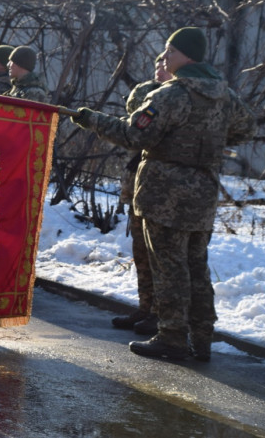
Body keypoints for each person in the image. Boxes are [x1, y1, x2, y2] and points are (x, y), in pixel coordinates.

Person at [71, 27, 256, 361]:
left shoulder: (171, 95)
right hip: (203, 193)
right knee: (196, 267)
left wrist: (91, 120)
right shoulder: (224, 94)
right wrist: (209, 141)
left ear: (186, 55)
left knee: (169, 267)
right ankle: (201, 339)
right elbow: (247, 127)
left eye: (170, 51)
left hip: (164, 194)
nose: (166, 57)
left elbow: (133, 135)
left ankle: (171, 337)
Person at [111, 54, 172, 336]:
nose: (160, 68)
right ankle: (146, 306)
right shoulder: (147, 91)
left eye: (165, 63)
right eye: (157, 63)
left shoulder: (179, 97)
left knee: (158, 252)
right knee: (140, 249)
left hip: (162, 186)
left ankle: (161, 313)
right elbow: (133, 120)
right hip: (138, 178)